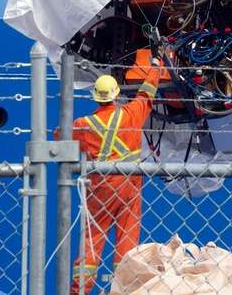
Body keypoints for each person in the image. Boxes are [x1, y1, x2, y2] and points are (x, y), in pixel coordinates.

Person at [69, 56, 162, 295]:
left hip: (100, 188)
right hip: (130, 186)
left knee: (93, 237)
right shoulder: (130, 114)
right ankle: (125, 289)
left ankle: (79, 290)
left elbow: (61, 136)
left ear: (96, 97)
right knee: (128, 239)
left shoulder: (84, 124)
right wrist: (156, 67)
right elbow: (146, 95)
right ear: (116, 94)